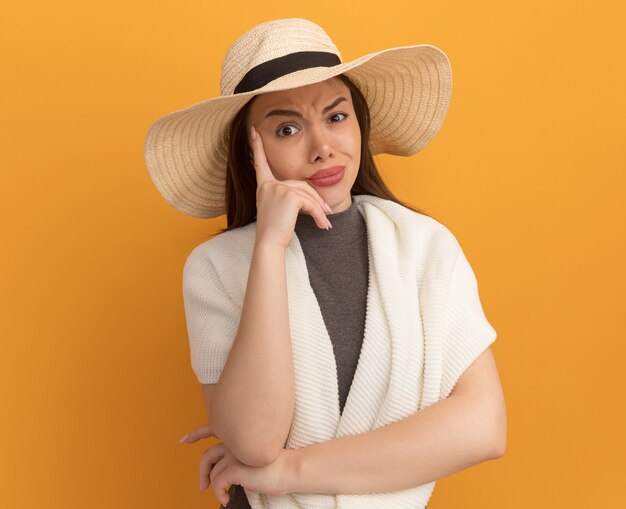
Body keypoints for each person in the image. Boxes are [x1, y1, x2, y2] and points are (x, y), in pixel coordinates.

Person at [144, 18, 507, 509]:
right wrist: (269, 249)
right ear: (250, 150)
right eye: (288, 128)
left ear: (359, 122)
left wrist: (288, 471)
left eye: (336, 117)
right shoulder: (215, 268)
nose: (322, 148)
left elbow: (483, 428)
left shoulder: (425, 247)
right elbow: (254, 440)